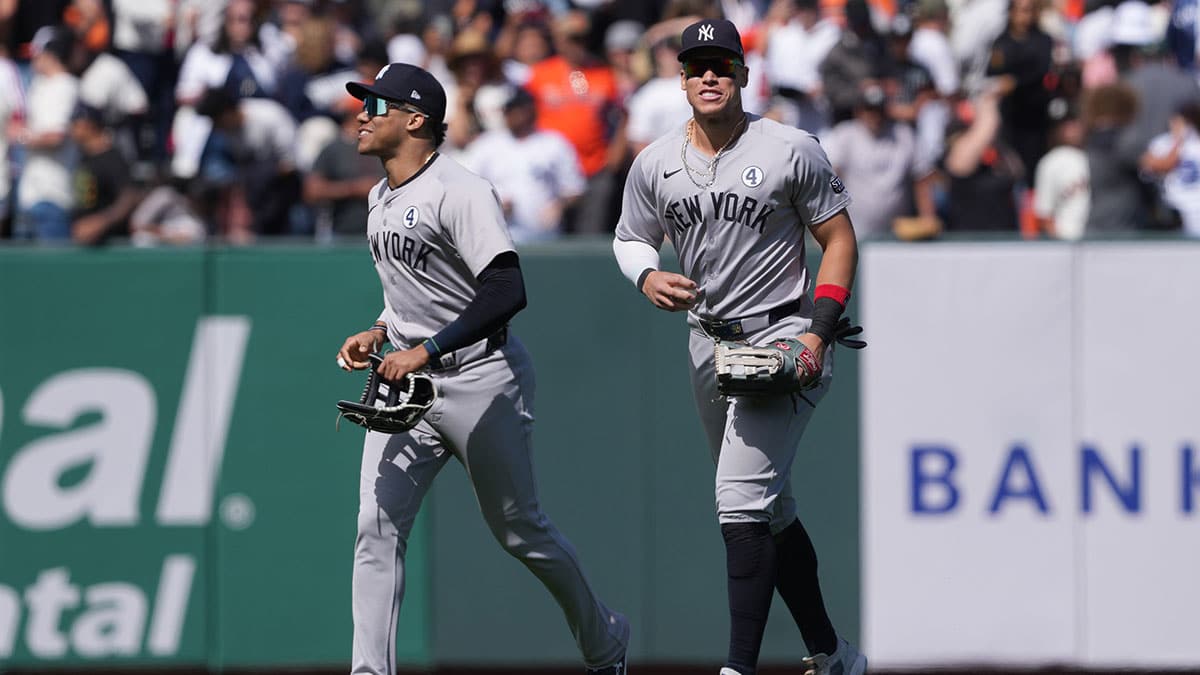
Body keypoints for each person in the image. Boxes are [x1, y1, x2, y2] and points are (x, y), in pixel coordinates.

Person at [336, 62, 629, 675]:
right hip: (408, 385)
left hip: (480, 377)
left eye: (377, 106)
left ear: (416, 120)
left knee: (519, 530)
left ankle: (604, 639)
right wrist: (379, 332)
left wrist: (427, 348)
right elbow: (408, 294)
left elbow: (505, 291)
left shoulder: (459, 188)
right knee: (375, 528)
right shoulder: (379, 195)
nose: (363, 115)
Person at [611, 19, 866, 675]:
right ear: (681, 78)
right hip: (708, 341)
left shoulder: (789, 147)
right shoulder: (656, 160)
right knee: (769, 505)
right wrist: (644, 271)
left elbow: (839, 239)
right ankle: (835, 655)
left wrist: (819, 327)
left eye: (722, 64)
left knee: (740, 500)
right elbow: (629, 236)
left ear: (744, 74)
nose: (709, 76)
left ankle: (737, 667)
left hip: (783, 335)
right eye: (697, 66)